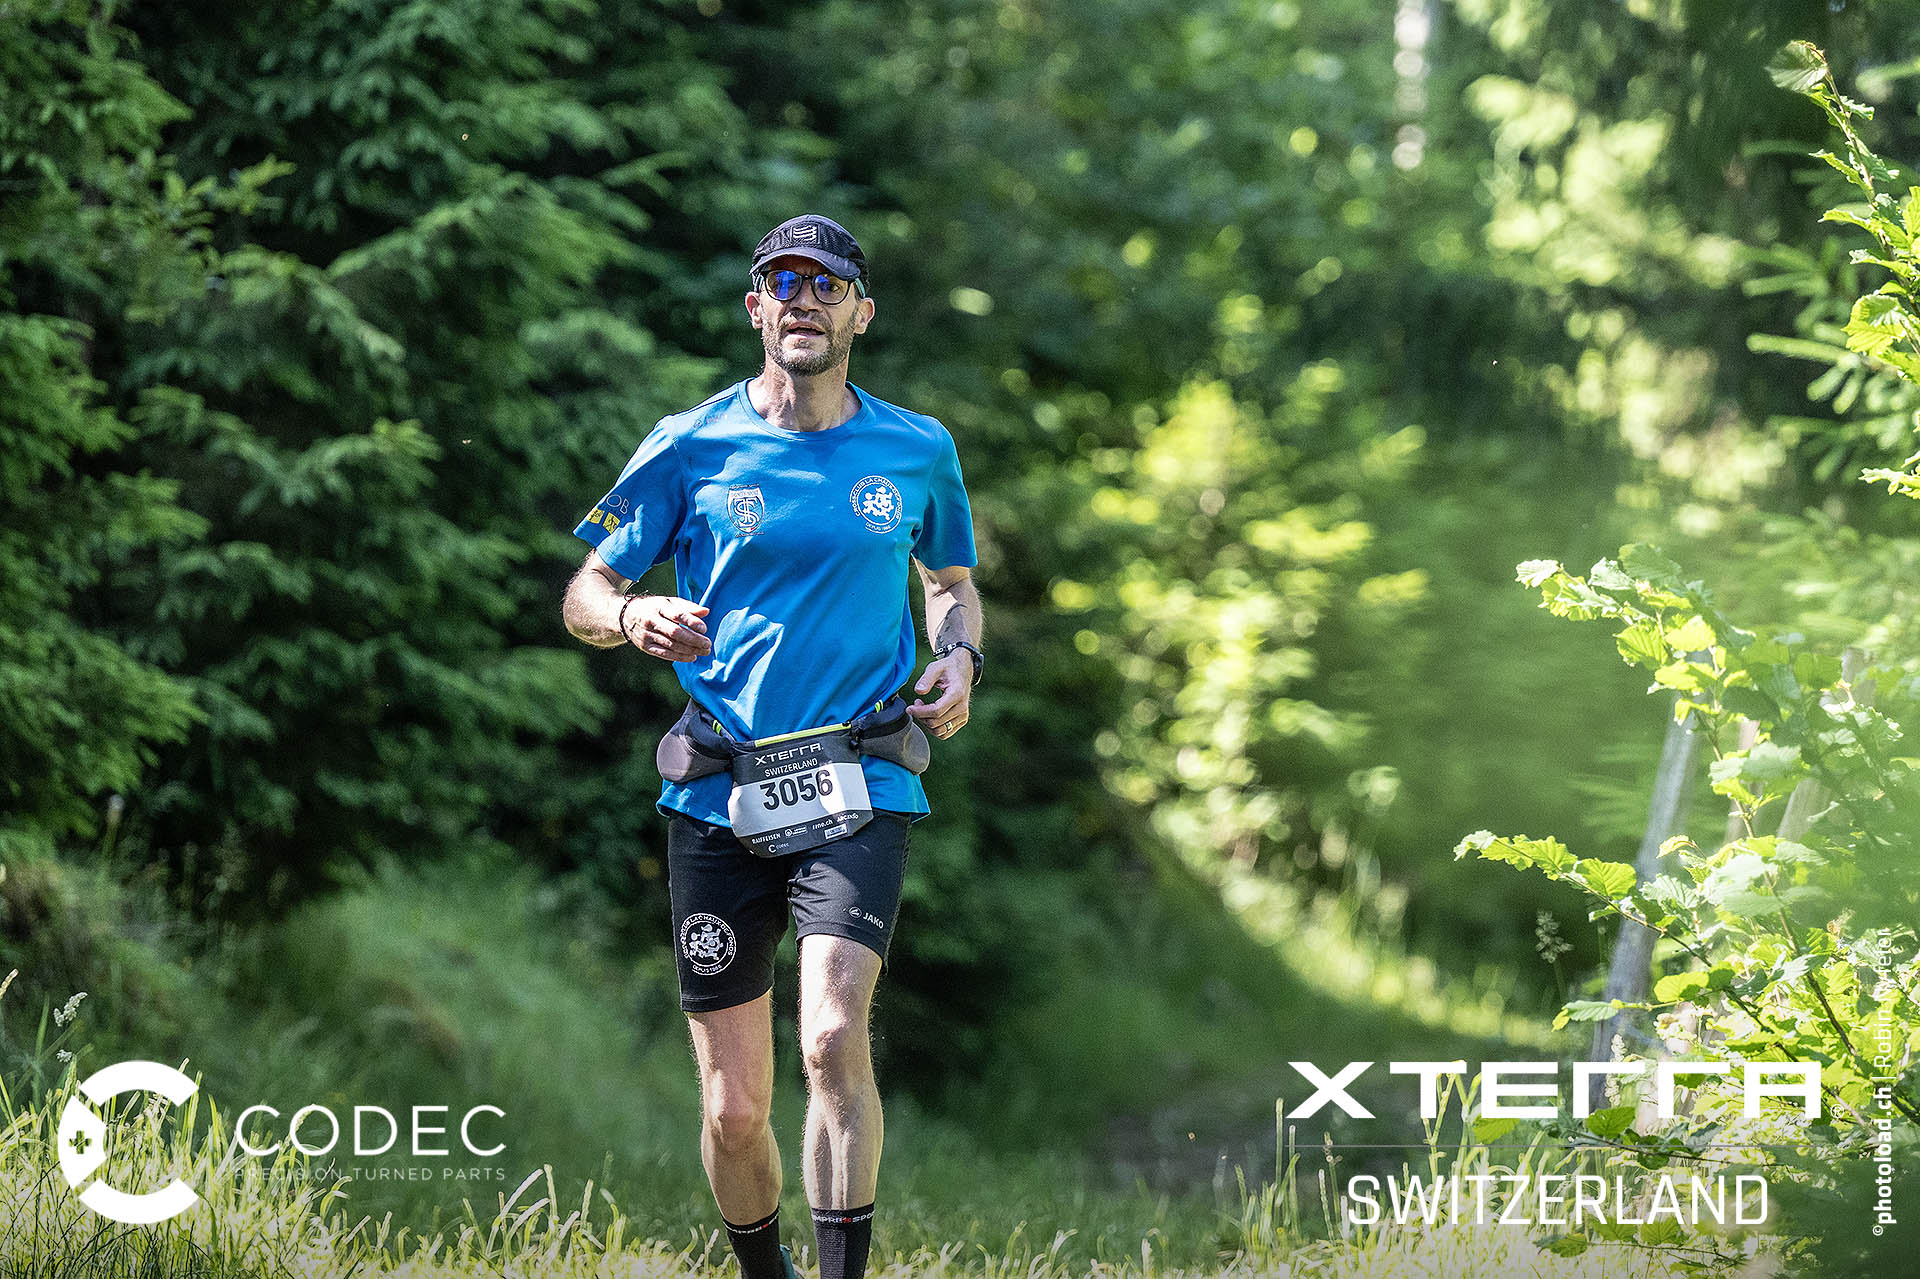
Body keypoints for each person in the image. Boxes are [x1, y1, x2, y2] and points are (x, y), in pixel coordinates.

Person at [561, 213, 984, 1279]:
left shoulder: (918, 448)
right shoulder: (689, 441)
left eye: (825, 284)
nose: (803, 300)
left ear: (861, 313)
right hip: (720, 791)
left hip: (861, 777)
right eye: (781, 284)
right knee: (735, 1106)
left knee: (833, 1038)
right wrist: (629, 615)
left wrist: (960, 657)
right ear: (755, 308)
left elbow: (950, 584)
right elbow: (586, 589)